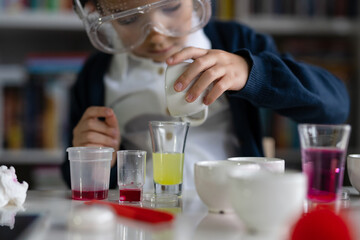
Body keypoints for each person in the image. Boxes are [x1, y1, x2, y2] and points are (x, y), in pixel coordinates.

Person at [61, 0, 350, 190]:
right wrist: (95, 160)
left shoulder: (237, 42)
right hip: (141, 215)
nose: (156, 35)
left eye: (171, 7)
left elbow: (335, 106)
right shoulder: (97, 74)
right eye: (127, 20)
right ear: (100, 14)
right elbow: (70, 176)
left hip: (234, 209)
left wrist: (252, 73)